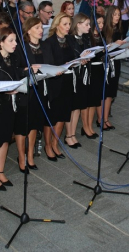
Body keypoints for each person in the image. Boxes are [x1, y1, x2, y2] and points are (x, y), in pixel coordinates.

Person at [0, 28, 27, 189]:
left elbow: (16, 76)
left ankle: (0, 171)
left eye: (15, 40)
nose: (15, 44)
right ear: (0, 42)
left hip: (11, 103)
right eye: (11, 40)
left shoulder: (13, 58)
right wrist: (5, 89)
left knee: (5, 140)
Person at [42, 12, 75, 161]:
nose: (68, 27)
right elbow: (49, 64)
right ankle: (47, 145)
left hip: (67, 81)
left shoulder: (69, 40)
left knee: (63, 114)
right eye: (65, 24)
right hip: (54, 83)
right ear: (57, 25)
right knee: (52, 116)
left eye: (69, 24)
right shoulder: (49, 42)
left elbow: (74, 56)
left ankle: (56, 143)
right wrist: (63, 66)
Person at [17, 17, 46, 171]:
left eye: (41, 27)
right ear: (28, 31)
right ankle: (21, 157)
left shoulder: (43, 46)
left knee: (34, 124)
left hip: (39, 89)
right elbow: (16, 69)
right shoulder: (21, 48)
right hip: (25, 92)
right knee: (23, 127)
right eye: (37, 28)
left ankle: (30, 155)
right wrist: (27, 71)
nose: (41, 30)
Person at [65, 13, 92, 147]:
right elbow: (68, 58)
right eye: (86, 24)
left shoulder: (85, 38)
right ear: (78, 24)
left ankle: (73, 134)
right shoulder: (69, 39)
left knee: (77, 108)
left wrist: (87, 58)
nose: (89, 27)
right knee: (71, 107)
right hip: (73, 76)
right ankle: (68, 135)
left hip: (82, 75)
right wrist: (80, 59)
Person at [100, 6, 125, 129]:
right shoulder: (104, 29)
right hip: (105, 64)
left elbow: (119, 47)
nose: (117, 17)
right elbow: (101, 48)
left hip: (116, 62)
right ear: (110, 15)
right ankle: (100, 119)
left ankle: (105, 119)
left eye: (119, 15)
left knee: (111, 92)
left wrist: (128, 45)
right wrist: (115, 44)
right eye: (115, 14)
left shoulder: (118, 30)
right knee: (104, 92)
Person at [86, 15, 104, 136]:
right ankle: (86, 126)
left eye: (102, 23)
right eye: (99, 23)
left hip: (99, 69)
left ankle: (90, 125)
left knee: (95, 100)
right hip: (91, 69)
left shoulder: (101, 36)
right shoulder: (88, 37)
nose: (101, 25)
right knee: (89, 100)